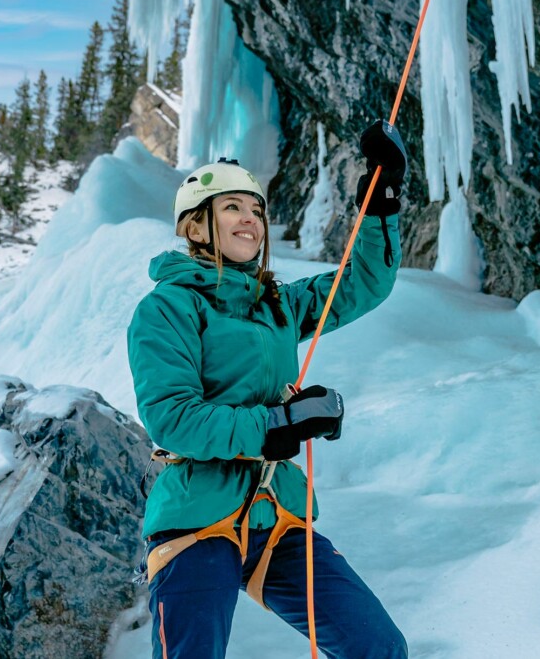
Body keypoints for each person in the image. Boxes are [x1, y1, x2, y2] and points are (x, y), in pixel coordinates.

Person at [127, 120, 409, 659]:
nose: (251, 220)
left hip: (274, 517)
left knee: (379, 646)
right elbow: (173, 417)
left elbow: (363, 282)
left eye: (256, 210)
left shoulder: (276, 305)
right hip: (196, 518)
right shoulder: (167, 308)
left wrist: (383, 196)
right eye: (233, 207)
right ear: (196, 227)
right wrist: (280, 425)